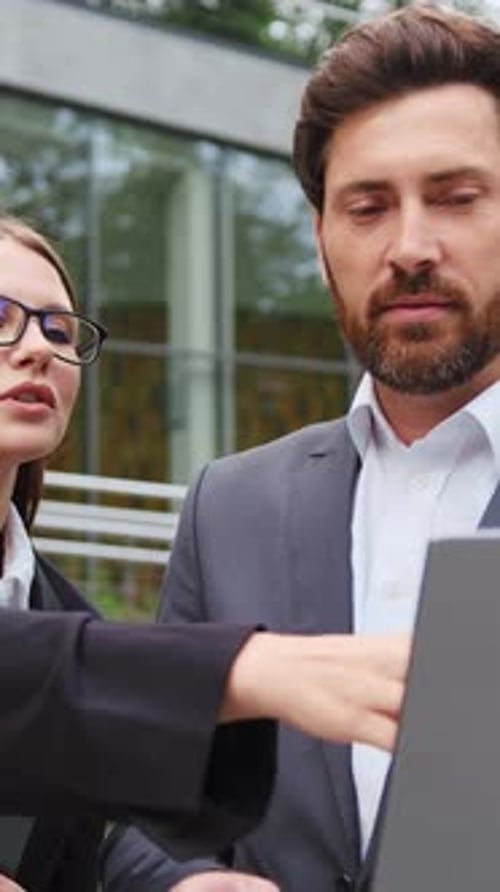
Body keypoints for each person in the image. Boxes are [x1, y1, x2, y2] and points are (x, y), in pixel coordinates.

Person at [100, 4, 500, 892]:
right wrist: (185, 882)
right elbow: (147, 810)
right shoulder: (229, 506)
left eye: (455, 197)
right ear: (322, 243)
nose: (410, 247)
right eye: (367, 207)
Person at [0, 214, 408, 890]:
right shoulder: (89, 656)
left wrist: (183, 883)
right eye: (1, 318)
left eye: (60, 330)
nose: (38, 349)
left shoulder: (66, 615)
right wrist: (245, 668)